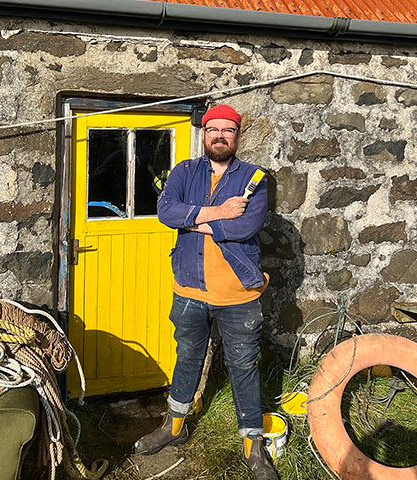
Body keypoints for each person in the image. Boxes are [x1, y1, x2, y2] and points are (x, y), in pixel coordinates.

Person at [134, 104, 279, 480]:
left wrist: (194, 218)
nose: (219, 136)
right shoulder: (184, 171)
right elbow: (166, 212)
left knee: (243, 368)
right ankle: (174, 428)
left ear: (237, 136)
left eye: (227, 131)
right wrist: (218, 212)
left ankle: (254, 447)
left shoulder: (256, 177)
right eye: (213, 129)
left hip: (238, 295)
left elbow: (246, 225)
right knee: (187, 359)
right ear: (204, 134)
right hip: (189, 288)